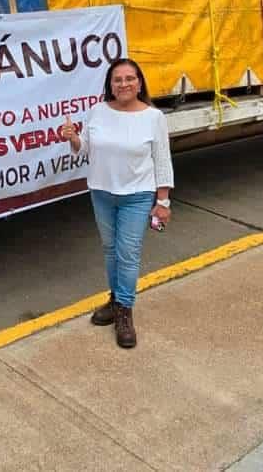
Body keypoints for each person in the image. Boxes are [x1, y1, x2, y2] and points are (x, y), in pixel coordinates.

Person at [60, 57, 174, 348]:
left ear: (139, 83)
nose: (123, 84)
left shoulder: (153, 117)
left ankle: (124, 311)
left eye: (129, 79)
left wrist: (163, 202)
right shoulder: (97, 111)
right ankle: (114, 299)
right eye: (117, 79)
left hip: (137, 196)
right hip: (101, 193)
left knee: (128, 251)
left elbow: (162, 161)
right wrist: (72, 138)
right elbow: (84, 148)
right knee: (111, 250)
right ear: (110, 85)